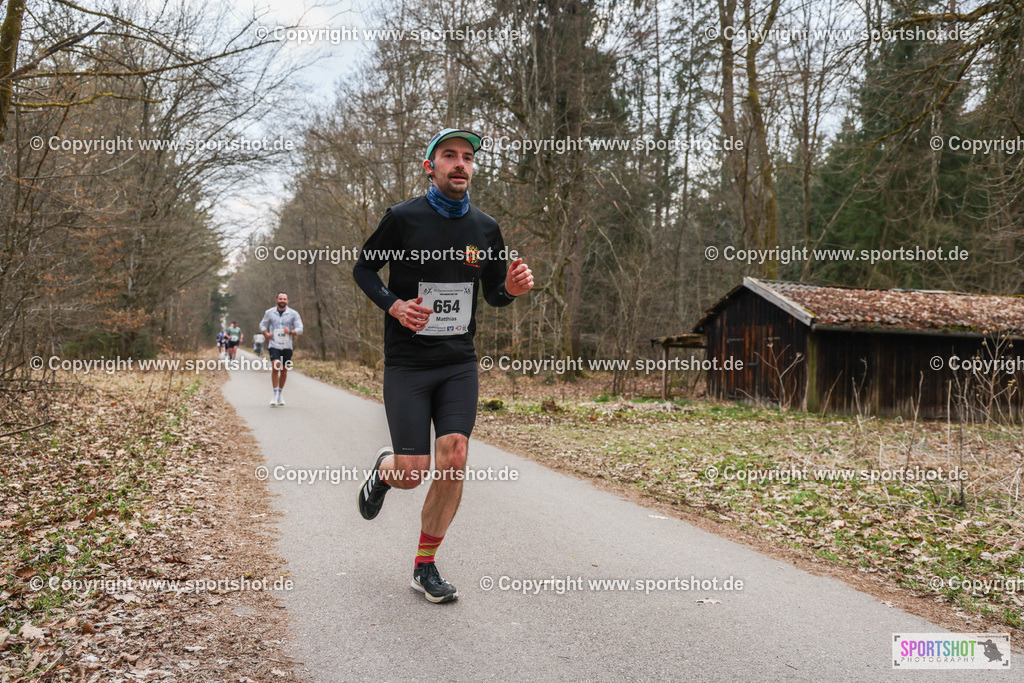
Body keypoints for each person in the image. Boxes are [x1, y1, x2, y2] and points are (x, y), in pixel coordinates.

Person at [353, 128, 534, 603]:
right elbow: (363, 269)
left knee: (453, 456)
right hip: (409, 363)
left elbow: (494, 294)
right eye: (449, 155)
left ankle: (425, 565)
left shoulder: (485, 228)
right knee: (413, 471)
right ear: (429, 166)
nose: (460, 164)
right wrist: (394, 305)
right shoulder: (403, 218)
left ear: (473, 168)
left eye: (467, 157)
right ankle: (384, 471)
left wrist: (511, 291)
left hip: (458, 362)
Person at [259, 292, 303, 406]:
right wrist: (266, 333)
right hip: (274, 345)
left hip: (287, 346)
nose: (282, 300)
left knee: (284, 370)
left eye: (284, 299)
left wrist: (291, 332)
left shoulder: (293, 313)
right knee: (276, 366)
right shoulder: (269, 312)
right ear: (276, 300)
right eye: (280, 298)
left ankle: (280, 393)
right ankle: (274, 394)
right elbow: (262, 324)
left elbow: (300, 328)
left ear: (287, 301)